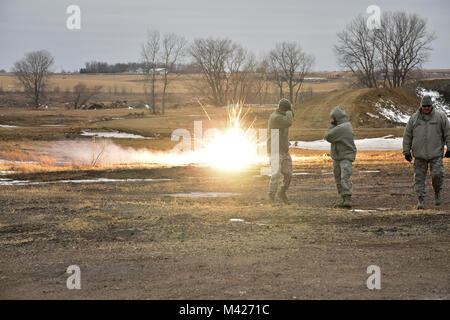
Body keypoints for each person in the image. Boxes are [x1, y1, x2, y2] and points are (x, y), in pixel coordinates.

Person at [402, 95, 450, 209]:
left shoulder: (440, 117)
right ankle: (420, 200)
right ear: (421, 106)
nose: (426, 108)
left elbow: (448, 133)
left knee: (437, 175)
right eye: (424, 106)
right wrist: (406, 151)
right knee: (418, 179)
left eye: (428, 106)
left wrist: (449, 148)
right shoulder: (414, 118)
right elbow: (407, 135)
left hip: (436, 154)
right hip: (419, 155)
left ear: (431, 106)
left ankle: (437, 192)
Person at [324, 106, 357, 208]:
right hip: (339, 157)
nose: (332, 121)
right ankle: (344, 199)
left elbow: (328, 136)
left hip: (345, 157)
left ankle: (347, 199)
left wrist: (331, 126)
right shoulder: (342, 126)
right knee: (338, 177)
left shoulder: (343, 127)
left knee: (344, 177)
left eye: (333, 118)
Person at [268, 98, 294, 204]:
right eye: (288, 110)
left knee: (289, 174)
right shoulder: (276, 118)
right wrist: (290, 112)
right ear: (284, 109)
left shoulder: (283, 116)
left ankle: (282, 192)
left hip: (283, 149)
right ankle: (271, 196)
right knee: (276, 174)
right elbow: (289, 122)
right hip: (274, 149)